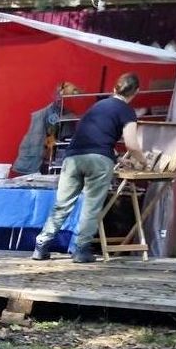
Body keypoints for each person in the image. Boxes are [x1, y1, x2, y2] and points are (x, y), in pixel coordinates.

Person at [32, 72, 144, 263]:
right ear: (136, 92)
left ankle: (41, 245)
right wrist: (143, 161)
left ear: (114, 88)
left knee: (62, 204)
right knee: (91, 206)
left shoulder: (97, 106)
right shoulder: (127, 111)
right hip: (99, 162)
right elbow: (132, 144)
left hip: (73, 157)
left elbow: (92, 134)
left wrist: (116, 157)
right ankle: (81, 249)